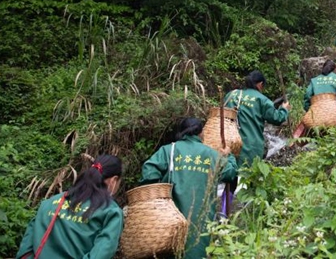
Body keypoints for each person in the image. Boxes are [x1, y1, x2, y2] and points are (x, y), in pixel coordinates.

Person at [140, 117, 238, 259]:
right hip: (201, 218)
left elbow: (149, 172)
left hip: (169, 218)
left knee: (169, 250)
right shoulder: (211, 154)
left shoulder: (169, 150)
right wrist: (229, 157)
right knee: (197, 249)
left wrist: (157, 193)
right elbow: (230, 174)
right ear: (201, 133)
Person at [16, 154, 123, 259]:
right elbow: (102, 253)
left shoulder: (49, 203)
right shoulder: (110, 211)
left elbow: (26, 247)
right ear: (113, 181)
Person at [224, 70, 291, 168]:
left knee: (228, 174)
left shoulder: (231, 95)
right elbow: (277, 118)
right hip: (249, 146)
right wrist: (284, 109)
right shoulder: (262, 100)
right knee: (244, 178)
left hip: (228, 144)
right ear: (260, 84)